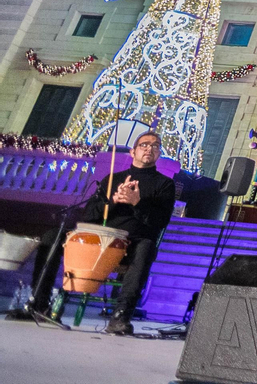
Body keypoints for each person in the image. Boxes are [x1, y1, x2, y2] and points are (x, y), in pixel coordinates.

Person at [39, 131, 176, 335]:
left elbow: (160, 221)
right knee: (52, 236)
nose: (150, 148)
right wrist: (114, 201)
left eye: (156, 146)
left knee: (147, 247)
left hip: (133, 243)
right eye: (144, 144)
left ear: (158, 154)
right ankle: (39, 303)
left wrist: (137, 203)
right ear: (133, 151)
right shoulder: (112, 178)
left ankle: (121, 315)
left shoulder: (165, 184)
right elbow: (89, 216)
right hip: (97, 239)